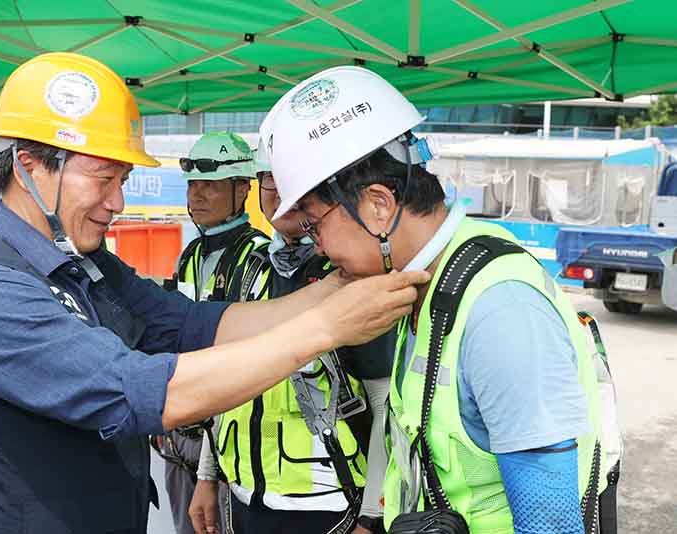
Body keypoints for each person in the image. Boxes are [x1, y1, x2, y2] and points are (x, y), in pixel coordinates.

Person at [0, 53, 429, 534]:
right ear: (30, 167)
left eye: (123, 179)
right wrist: (326, 327)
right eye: (104, 179)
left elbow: (198, 326)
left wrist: (339, 285)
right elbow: (142, 390)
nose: (118, 202)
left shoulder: (85, 264)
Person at [265, 66, 618, 534]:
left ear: (378, 205)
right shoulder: (422, 286)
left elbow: (550, 521)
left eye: (315, 226)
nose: (320, 248)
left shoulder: (500, 310)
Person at [188, 134, 392, 534]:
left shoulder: (353, 275)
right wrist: (207, 476)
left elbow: (386, 405)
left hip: (333, 508)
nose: (280, 191)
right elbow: (225, 386)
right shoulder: (247, 269)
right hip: (246, 500)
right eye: (270, 178)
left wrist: (371, 515)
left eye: (293, 178)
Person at [161, 131, 269, 534]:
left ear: (243, 190)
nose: (198, 195)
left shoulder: (259, 258)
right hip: (180, 435)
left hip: (227, 442)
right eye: (193, 185)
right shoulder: (190, 255)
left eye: (211, 185)